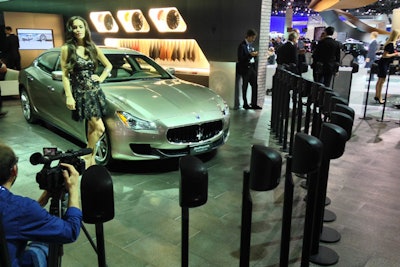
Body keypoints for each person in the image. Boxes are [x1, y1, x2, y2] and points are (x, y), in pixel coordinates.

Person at [0, 143, 82, 266]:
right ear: (14, 170)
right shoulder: (22, 208)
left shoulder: (19, 209)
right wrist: (74, 190)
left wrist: (42, 200)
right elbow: (71, 231)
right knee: (42, 245)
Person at [61, 16, 113, 167]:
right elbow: (65, 75)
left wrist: (101, 77)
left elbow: (108, 65)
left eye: (80, 27)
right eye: (74, 27)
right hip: (81, 93)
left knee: (93, 128)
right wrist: (69, 96)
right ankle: (88, 156)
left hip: (95, 92)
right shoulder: (67, 49)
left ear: (85, 29)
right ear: (71, 30)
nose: (78, 30)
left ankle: (89, 160)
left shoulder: (92, 47)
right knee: (100, 127)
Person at [237, 29, 262, 110]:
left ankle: (254, 103)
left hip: (252, 68)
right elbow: (241, 59)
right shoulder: (242, 46)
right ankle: (245, 103)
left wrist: (254, 55)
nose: (253, 39)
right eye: (253, 37)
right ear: (249, 36)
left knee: (255, 85)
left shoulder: (250, 45)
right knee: (245, 86)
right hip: (245, 69)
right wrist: (250, 55)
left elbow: (251, 56)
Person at [375, 29, 400, 104]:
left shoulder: (389, 43)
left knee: (380, 81)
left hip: (383, 63)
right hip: (384, 63)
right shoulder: (390, 44)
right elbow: (385, 55)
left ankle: (377, 96)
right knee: (381, 81)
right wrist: (395, 54)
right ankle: (379, 98)